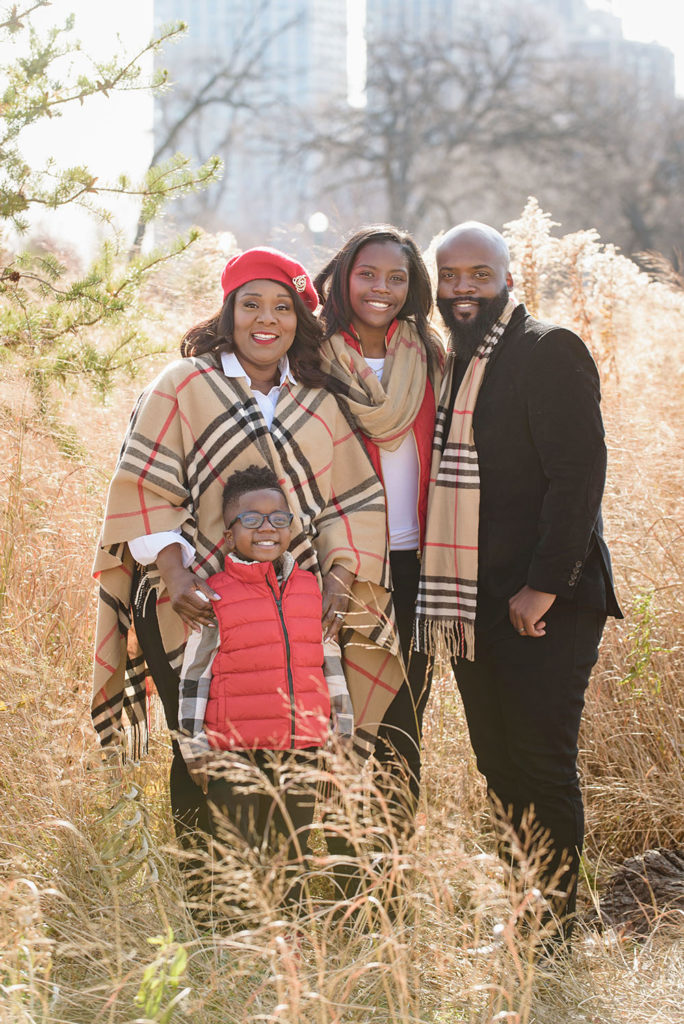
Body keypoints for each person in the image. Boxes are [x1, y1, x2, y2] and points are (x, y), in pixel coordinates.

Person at [91, 246, 396, 867]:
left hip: (291, 605)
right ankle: (211, 902)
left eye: (282, 307)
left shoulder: (317, 400)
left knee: (287, 742)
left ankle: (271, 890)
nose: (267, 319)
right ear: (228, 312)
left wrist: (339, 576)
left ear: (298, 319)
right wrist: (175, 574)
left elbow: (351, 501)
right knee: (201, 745)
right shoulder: (183, 385)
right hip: (192, 601)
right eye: (251, 304)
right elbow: (144, 487)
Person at [415, 221, 622, 940]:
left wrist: (544, 586)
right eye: (450, 275)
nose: (463, 287)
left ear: (507, 277)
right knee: (497, 761)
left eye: (479, 272)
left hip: (547, 603)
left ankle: (556, 923)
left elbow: (579, 477)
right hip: (475, 601)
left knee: (540, 758)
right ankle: (525, 902)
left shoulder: (547, 349)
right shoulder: (454, 364)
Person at [177, 464, 353, 916]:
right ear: (229, 531)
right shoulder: (211, 595)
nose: (267, 529)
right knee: (236, 854)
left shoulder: (312, 589)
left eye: (279, 518)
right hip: (235, 753)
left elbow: (328, 662)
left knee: (291, 854)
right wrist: (195, 749)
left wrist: (342, 731)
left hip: (301, 749)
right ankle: (235, 948)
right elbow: (195, 676)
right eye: (251, 520)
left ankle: (287, 947)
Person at [315, 225, 444, 830]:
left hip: (415, 563)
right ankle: (326, 861)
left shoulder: (429, 353)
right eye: (368, 274)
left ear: (412, 285)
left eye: (397, 278)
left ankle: (382, 876)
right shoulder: (310, 354)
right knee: (330, 713)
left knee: (400, 723)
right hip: (337, 564)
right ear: (344, 276)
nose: (381, 289)